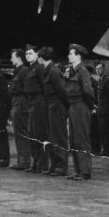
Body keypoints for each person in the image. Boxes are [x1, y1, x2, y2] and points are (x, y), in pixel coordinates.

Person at [64, 44, 95, 180]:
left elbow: (88, 91)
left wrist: (89, 106)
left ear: (78, 56)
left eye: (71, 54)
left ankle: (85, 172)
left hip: (81, 106)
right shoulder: (72, 71)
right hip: (73, 106)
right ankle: (78, 171)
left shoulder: (82, 71)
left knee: (81, 139)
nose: (69, 56)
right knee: (74, 140)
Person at [41, 47, 70, 176]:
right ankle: (54, 165)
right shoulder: (49, 70)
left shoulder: (53, 71)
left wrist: (64, 108)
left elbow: (63, 91)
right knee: (52, 136)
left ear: (41, 58)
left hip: (57, 106)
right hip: (51, 106)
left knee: (58, 136)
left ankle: (61, 166)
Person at [24, 45, 48, 173]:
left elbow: (44, 86)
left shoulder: (38, 68)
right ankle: (35, 163)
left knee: (39, 134)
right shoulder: (30, 68)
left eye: (30, 53)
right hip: (32, 103)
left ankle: (42, 164)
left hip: (39, 103)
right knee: (32, 133)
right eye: (26, 53)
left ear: (37, 55)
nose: (28, 55)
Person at [9, 49, 31, 170]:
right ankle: (21, 160)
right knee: (18, 133)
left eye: (13, 57)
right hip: (17, 102)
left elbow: (27, 89)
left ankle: (24, 161)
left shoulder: (23, 71)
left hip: (21, 104)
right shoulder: (18, 71)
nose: (11, 59)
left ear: (19, 58)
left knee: (22, 133)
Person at [95, 62, 109, 157]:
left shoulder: (108, 81)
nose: (98, 71)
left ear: (104, 69)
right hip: (101, 110)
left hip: (106, 111)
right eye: (96, 69)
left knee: (107, 131)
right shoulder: (100, 81)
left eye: (99, 69)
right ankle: (105, 150)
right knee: (102, 131)